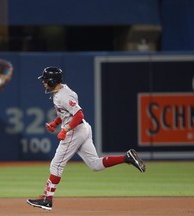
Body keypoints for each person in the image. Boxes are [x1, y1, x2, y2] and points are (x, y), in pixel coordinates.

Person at [27, 66, 146, 211]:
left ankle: (47, 200)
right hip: (83, 129)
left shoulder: (63, 95)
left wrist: (65, 129)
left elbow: (79, 115)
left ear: (52, 80)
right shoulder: (62, 92)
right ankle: (126, 157)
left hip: (75, 131)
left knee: (56, 164)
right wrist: (55, 123)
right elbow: (66, 113)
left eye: (45, 80)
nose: (43, 82)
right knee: (95, 165)